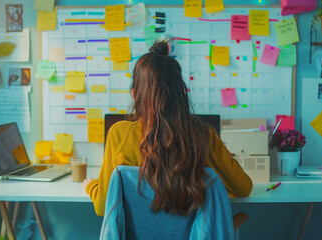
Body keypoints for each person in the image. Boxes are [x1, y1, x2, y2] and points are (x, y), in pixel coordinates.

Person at [82, 41, 253, 217]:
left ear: (134, 94)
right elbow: (244, 188)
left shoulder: (119, 134)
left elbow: (103, 207)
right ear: (182, 93)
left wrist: (91, 186)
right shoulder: (204, 135)